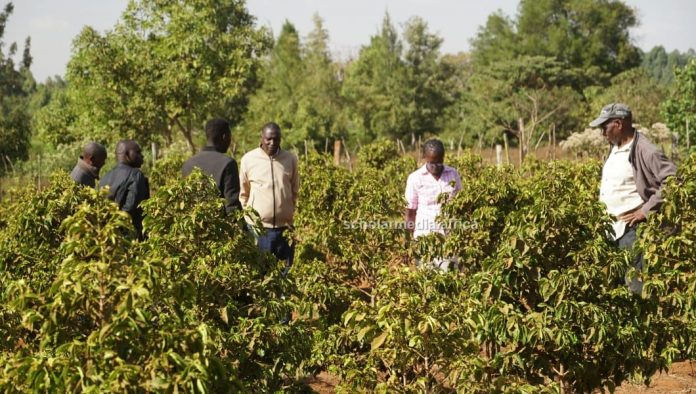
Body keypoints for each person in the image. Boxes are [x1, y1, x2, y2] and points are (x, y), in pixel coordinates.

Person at [590, 103, 677, 294]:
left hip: (631, 232)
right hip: (612, 231)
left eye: (605, 127)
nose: (602, 133)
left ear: (618, 123)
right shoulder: (615, 146)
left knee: (635, 288)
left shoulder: (645, 150)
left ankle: (645, 322)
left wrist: (644, 211)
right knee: (616, 288)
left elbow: (672, 180)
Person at [239, 122, 299, 272]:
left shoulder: (290, 159)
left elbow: (295, 190)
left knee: (284, 273)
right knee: (259, 273)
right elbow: (243, 193)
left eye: (277, 139)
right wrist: (250, 218)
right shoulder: (248, 159)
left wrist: (292, 217)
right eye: (269, 139)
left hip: (284, 229)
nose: (273, 143)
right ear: (261, 138)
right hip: (258, 230)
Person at [404, 139, 462, 271]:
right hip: (425, 237)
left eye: (438, 162)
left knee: (449, 278)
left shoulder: (452, 174)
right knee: (426, 277)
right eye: (431, 163)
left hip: (449, 237)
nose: (435, 166)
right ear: (424, 158)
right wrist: (408, 242)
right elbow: (410, 212)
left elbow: (461, 201)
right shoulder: (415, 178)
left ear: (443, 157)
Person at [182, 118, 241, 213]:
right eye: (230, 136)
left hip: (193, 224)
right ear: (224, 136)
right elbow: (232, 205)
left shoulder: (188, 164)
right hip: (219, 225)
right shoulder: (228, 164)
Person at [99, 140, 150, 240]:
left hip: (108, 236)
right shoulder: (135, 175)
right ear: (127, 154)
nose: (142, 156)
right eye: (138, 152)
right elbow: (132, 208)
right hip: (130, 237)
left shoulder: (105, 177)